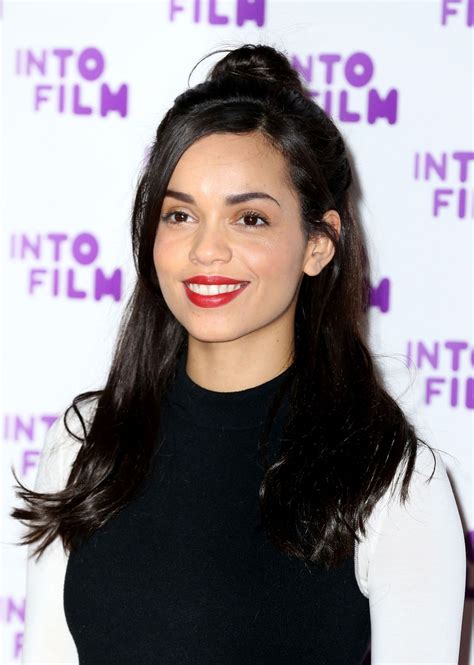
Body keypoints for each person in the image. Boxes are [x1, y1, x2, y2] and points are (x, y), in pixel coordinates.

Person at [12, 43, 466, 665]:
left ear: (319, 244)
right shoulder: (88, 445)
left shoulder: (390, 481)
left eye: (249, 219)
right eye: (180, 215)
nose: (206, 251)